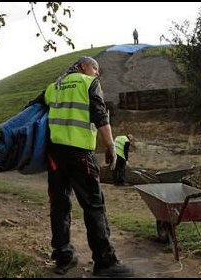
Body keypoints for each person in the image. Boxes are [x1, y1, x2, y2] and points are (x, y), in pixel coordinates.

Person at [31, 56, 134, 277]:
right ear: (85, 66)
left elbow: (33, 109)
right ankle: (105, 263)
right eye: (95, 69)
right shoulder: (88, 83)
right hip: (79, 155)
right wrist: (110, 147)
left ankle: (63, 257)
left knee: (59, 206)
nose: (97, 74)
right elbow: (100, 116)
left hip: (55, 156)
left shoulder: (54, 86)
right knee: (93, 205)